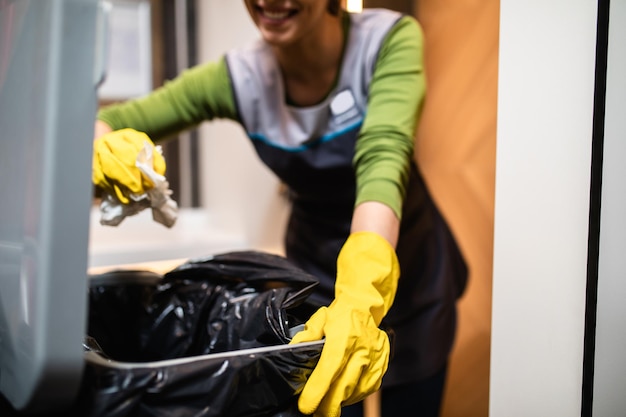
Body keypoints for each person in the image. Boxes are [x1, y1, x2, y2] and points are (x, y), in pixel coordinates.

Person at [92, 1, 468, 416]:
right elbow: (114, 120)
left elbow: (384, 156)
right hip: (317, 270)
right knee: (329, 397)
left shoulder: (386, 41)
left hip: (399, 263)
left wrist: (362, 296)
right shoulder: (240, 79)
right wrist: (103, 145)